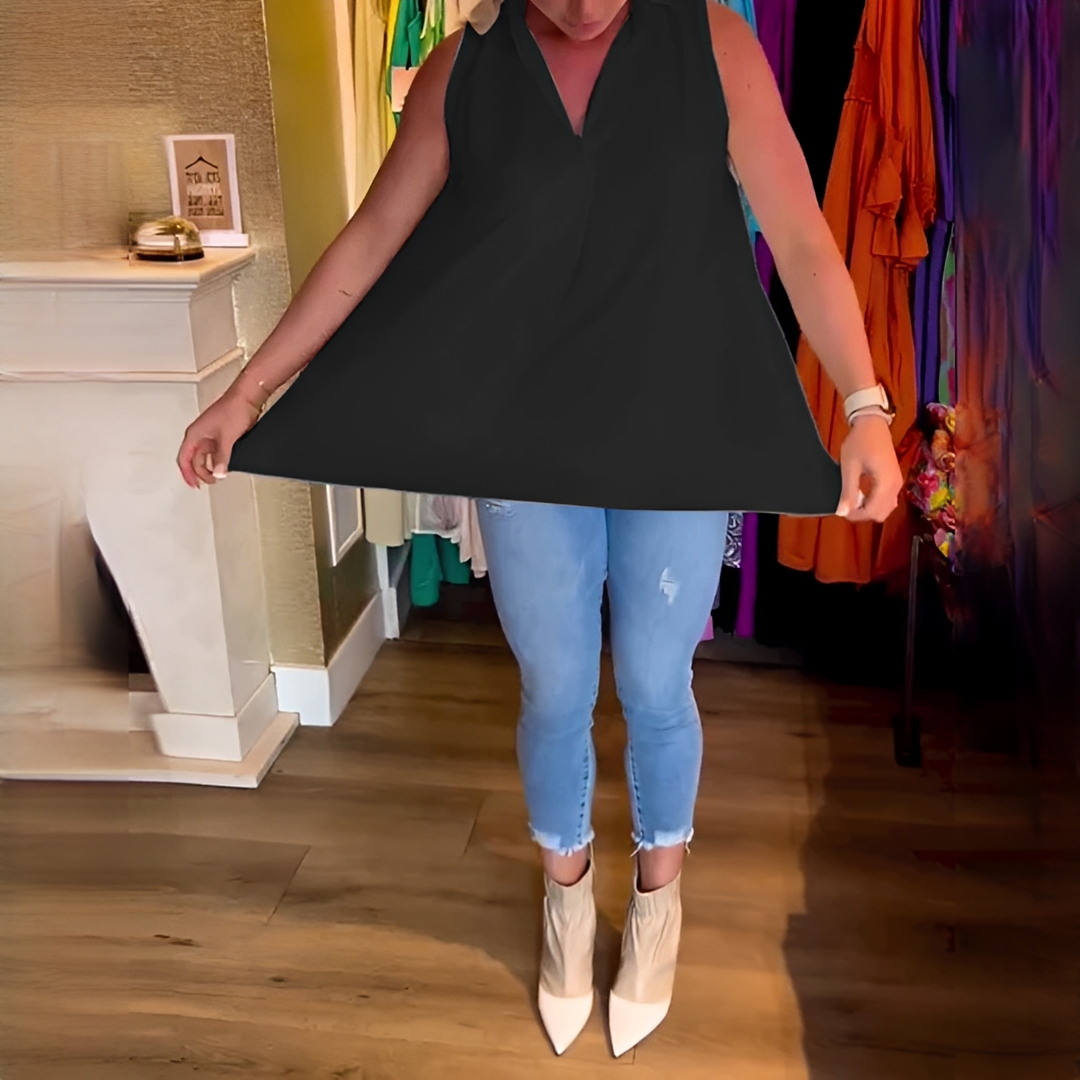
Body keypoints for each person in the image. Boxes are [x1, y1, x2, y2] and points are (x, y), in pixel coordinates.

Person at [177, 0, 902, 1059]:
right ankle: (567, 899)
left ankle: (657, 905)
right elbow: (369, 246)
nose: (588, 8)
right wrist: (248, 394)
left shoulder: (713, 42)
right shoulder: (462, 68)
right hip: (524, 445)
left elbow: (799, 235)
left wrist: (866, 404)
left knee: (657, 684)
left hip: (677, 442)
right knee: (556, 688)